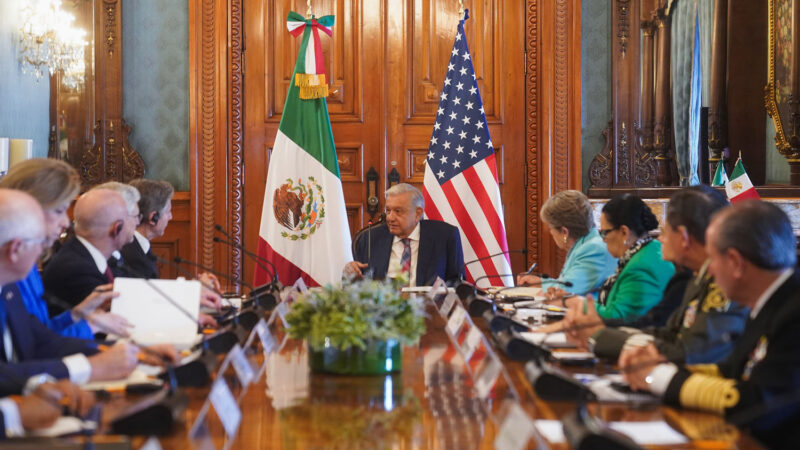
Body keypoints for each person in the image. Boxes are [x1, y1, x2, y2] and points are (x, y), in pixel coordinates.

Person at [621, 200, 800, 447]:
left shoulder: (792, 311)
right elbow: (732, 370)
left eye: (713, 259)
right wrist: (657, 366)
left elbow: (760, 403)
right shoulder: (772, 300)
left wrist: (658, 377)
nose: (710, 272)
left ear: (735, 262)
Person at [0, 189, 177, 383]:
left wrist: (136, 351)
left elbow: (41, 342)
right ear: (15, 249)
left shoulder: (9, 290)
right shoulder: (22, 285)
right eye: (40, 243)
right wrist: (91, 367)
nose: (43, 254)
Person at [565, 186, 749, 364]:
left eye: (665, 232)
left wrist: (599, 335)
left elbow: (689, 352)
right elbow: (667, 333)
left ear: (683, 237)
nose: (660, 238)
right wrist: (601, 334)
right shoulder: (696, 277)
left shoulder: (723, 283)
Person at [0, 159, 128, 338]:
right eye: (59, 211)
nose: (66, 223)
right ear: (30, 208)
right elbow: (31, 348)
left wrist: (77, 314)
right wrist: (89, 327)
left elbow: (39, 333)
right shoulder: (12, 267)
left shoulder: (28, 265)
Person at [344, 183, 464, 285]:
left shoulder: (445, 237)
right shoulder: (370, 238)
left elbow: (457, 282)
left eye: (398, 211)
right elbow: (356, 284)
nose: (390, 218)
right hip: (383, 305)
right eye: (388, 210)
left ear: (417, 213)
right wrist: (349, 272)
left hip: (428, 305)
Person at [42, 189, 135, 311]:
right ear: (117, 228)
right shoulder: (78, 270)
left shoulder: (83, 255)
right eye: (130, 218)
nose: (136, 223)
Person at [516, 190, 616, 295]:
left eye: (550, 228)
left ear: (564, 232)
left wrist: (544, 287)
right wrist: (541, 283)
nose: (551, 233)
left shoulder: (593, 249)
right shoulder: (586, 244)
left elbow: (566, 291)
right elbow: (571, 283)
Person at [120, 179, 174, 279]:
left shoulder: (139, 246)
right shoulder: (132, 254)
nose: (171, 217)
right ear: (153, 218)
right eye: (168, 212)